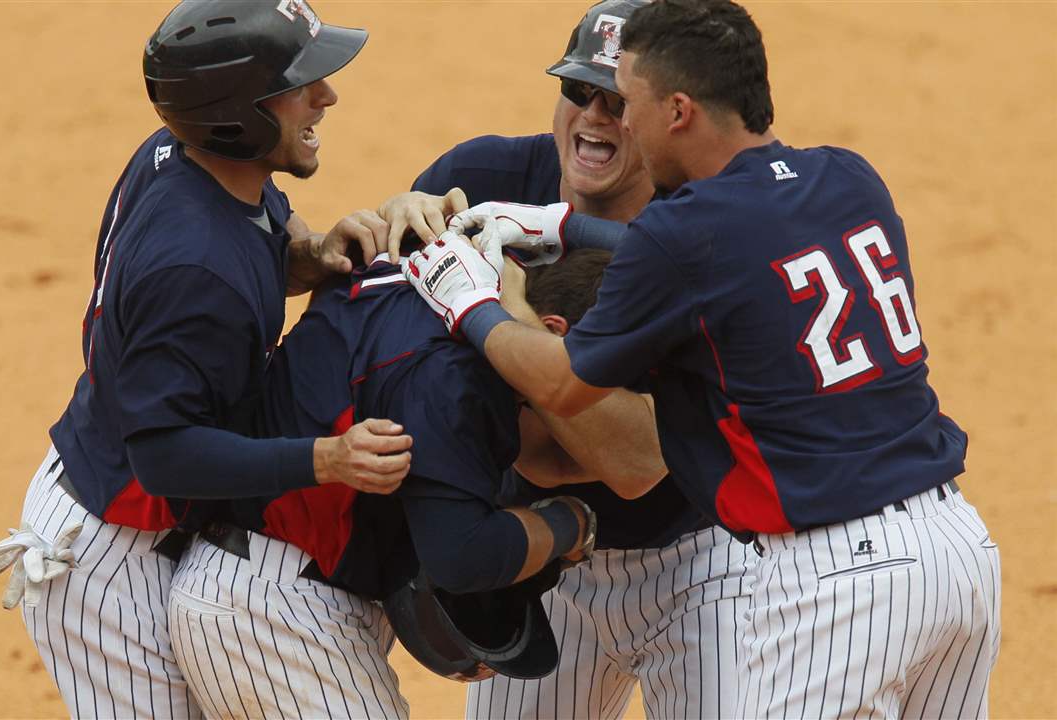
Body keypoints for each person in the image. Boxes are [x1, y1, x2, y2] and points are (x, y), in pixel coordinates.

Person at [403, 0, 1002, 717]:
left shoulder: (683, 235)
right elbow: (729, 257)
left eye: (628, 102)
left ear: (677, 110)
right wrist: (561, 222)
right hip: (955, 547)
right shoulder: (847, 176)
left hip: (829, 576)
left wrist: (472, 301)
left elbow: (564, 387)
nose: (614, 122)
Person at [0, 3, 412, 718]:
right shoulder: (193, 267)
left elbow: (257, 236)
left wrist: (306, 252)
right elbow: (165, 456)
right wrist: (326, 459)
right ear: (237, 114)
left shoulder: (187, 158)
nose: (325, 97)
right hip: (105, 560)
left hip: (136, 518)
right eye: (300, 84)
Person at [394, 2, 754, 718]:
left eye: (618, 101)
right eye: (577, 91)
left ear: (663, 115)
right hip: (541, 559)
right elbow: (386, 354)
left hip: (701, 563)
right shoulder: (478, 175)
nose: (593, 117)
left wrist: (503, 308)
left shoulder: (705, 228)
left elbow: (636, 464)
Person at [165, 250, 613, 720]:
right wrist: (571, 522)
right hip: (275, 613)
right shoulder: (452, 376)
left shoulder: (413, 272)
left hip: (258, 592)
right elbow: (462, 556)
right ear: (554, 331)